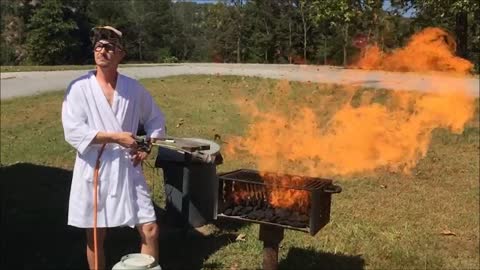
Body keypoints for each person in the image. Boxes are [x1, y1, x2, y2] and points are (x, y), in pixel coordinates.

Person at [61, 26, 165, 269]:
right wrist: (116, 137)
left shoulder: (133, 89)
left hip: (128, 167)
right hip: (94, 169)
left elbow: (155, 119)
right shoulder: (79, 88)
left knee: (150, 229)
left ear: (121, 54)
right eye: (98, 46)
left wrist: (147, 144)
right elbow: (73, 130)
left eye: (109, 47)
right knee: (96, 236)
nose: (102, 51)